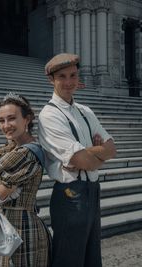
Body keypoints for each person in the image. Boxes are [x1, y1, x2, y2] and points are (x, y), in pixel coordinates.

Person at [38, 53, 116, 267]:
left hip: (93, 190)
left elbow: (112, 148)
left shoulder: (85, 111)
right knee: (68, 259)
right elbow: (83, 161)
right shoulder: (49, 115)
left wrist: (91, 154)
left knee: (92, 258)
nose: (69, 82)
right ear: (51, 80)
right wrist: (93, 154)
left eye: (73, 75)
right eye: (62, 76)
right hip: (70, 194)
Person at [0, 92, 52, 267]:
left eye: (11, 118)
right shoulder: (9, 150)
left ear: (27, 119)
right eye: (1, 120)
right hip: (2, 226)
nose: (6, 125)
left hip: (21, 229)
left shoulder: (26, 153)